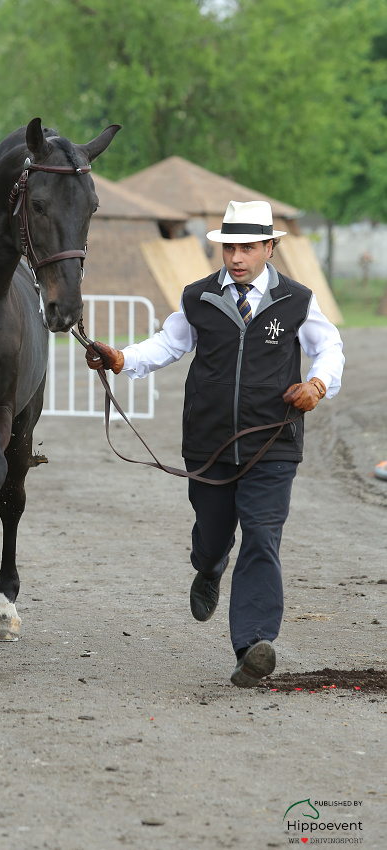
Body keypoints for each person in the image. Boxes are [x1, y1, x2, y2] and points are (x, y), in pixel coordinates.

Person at [85, 200, 344, 688]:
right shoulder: (198, 298)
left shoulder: (297, 300)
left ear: (269, 247)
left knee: (263, 538)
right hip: (209, 444)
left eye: (247, 247)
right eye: (230, 248)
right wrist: (120, 359)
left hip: (273, 444)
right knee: (212, 535)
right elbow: (167, 344)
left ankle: (253, 647)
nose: (237, 257)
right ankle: (208, 566)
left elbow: (329, 347)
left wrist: (317, 384)